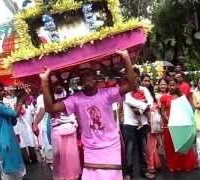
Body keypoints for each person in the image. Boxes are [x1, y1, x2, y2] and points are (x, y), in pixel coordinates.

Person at [39, 50, 135, 180]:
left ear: (95, 77)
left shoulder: (107, 94)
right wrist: (44, 81)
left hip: (111, 145)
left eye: (88, 74)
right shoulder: (75, 99)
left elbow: (130, 85)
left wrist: (125, 57)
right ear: (79, 82)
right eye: (82, 76)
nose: (85, 78)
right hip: (91, 149)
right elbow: (50, 109)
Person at [0, 81, 26, 180]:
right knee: (10, 172)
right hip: (5, 142)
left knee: (12, 170)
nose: (3, 92)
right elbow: (15, 114)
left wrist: (18, 98)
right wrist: (21, 98)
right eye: (0, 90)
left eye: (3, 90)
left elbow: (13, 121)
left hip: (7, 140)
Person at [160, 78, 198, 173]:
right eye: (170, 85)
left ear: (177, 85)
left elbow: (187, 110)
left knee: (183, 144)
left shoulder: (182, 97)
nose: (172, 87)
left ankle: (186, 164)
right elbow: (162, 112)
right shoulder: (164, 97)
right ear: (168, 86)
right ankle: (173, 165)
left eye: (174, 85)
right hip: (169, 126)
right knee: (170, 146)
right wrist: (167, 119)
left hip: (181, 125)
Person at [122, 72, 155, 179]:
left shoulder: (144, 89)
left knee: (143, 149)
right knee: (129, 150)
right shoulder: (124, 91)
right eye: (132, 77)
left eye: (136, 77)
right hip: (129, 125)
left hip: (143, 124)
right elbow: (130, 101)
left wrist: (140, 111)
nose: (134, 79)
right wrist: (144, 105)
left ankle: (144, 171)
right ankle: (128, 173)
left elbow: (150, 101)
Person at [51, 81, 81, 180]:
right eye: (55, 85)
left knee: (71, 157)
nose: (58, 87)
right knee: (59, 157)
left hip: (70, 128)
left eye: (59, 84)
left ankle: (72, 177)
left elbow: (77, 112)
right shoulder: (50, 98)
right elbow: (45, 110)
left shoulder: (70, 96)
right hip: (57, 130)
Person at [13, 91, 38, 165]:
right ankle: (26, 160)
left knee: (31, 142)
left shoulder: (29, 106)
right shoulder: (16, 107)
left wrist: (34, 125)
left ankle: (33, 158)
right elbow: (16, 117)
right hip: (20, 128)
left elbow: (33, 116)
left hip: (28, 127)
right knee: (22, 144)